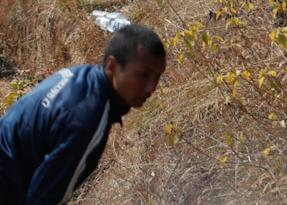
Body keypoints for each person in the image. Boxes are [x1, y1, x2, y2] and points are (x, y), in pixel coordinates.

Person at [0, 24, 167, 205]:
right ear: (112, 66)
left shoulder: (80, 75)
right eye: (143, 75)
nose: (151, 88)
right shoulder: (86, 119)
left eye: (157, 77)